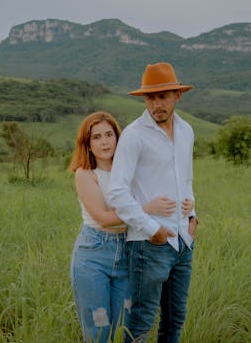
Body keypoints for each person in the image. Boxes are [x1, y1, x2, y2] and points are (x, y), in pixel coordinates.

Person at [69, 111, 194, 343]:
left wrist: (189, 206)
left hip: (128, 252)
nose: (105, 141)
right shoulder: (86, 174)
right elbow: (104, 218)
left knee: (124, 326)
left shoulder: (130, 170)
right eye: (96, 137)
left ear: (119, 137)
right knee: (99, 328)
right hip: (95, 252)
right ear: (87, 143)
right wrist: (145, 208)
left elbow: (169, 183)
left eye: (109, 134)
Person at [106, 62, 198, 343]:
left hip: (182, 242)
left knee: (175, 321)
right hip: (149, 245)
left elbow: (186, 181)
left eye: (163, 97)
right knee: (141, 323)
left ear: (176, 96)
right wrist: (151, 229)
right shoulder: (134, 135)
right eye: (150, 98)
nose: (156, 104)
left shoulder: (186, 131)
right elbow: (117, 192)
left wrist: (193, 217)